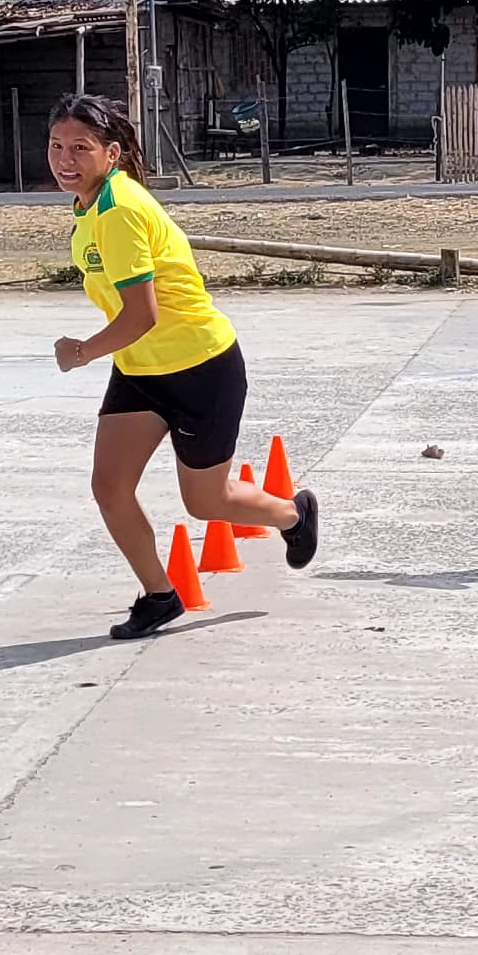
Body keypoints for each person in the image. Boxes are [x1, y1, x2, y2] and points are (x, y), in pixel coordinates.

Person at [46, 93, 319, 637]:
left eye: (80, 148)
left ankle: (294, 514)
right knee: (110, 488)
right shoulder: (90, 204)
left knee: (206, 502)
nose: (65, 159)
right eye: (56, 146)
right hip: (141, 370)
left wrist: (82, 352)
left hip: (200, 368)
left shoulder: (119, 210)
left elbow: (141, 314)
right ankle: (160, 595)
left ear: (112, 154)